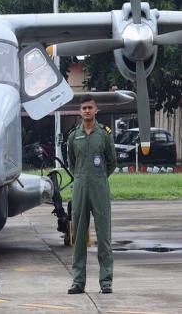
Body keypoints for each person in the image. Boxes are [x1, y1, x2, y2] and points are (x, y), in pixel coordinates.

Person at [67, 95, 117, 294]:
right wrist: (80, 176)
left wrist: (100, 177)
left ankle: (106, 281)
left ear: (96, 111)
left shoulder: (104, 134)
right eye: (84, 108)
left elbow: (112, 161)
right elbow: (71, 162)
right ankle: (78, 282)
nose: (87, 111)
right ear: (80, 112)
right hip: (80, 187)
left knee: (104, 235)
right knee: (79, 235)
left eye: (90, 108)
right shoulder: (73, 136)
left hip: (99, 187)